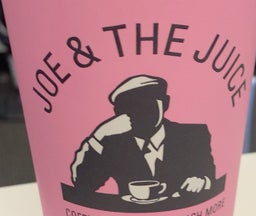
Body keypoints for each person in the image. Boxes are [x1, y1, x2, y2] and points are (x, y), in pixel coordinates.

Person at [71, 74, 216, 197]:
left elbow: (208, 174)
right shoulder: (113, 144)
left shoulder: (192, 135)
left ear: (165, 103)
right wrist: (99, 134)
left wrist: (203, 181)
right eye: (128, 107)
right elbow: (82, 184)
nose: (138, 112)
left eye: (146, 104)